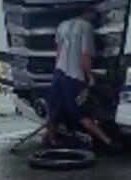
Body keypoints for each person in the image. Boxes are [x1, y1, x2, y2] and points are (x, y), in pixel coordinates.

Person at [45, 5, 115, 148]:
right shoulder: (86, 27)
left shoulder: (62, 25)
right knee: (82, 113)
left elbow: (58, 53)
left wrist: (56, 74)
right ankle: (108, 141)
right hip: (74, 77)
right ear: (88, 12)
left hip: (59, 74)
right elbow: (85, 56)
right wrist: (90, 76)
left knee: (54, 111)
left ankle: (51, 140)